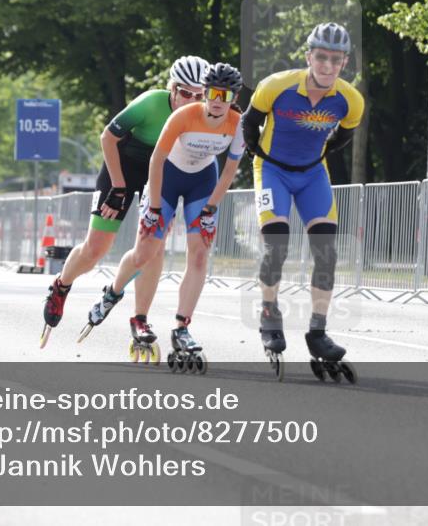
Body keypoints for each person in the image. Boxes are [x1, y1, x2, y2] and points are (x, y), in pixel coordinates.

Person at [80, 63, 246, 369]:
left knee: (199, 255)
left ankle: (182, 328)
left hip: (202, 182)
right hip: (166, 179)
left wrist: (211, 206)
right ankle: (113, 293)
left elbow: (230, 170)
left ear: (234, 96)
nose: (217, 100)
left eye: (225, 94)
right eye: (211, 92)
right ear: (204, 93)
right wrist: (154, 207)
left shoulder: (238, 124)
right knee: (145, 252)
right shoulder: (183, 115)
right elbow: (156, 161)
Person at [38, 56, 209, 347]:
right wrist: (118, 187)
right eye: (184, 93)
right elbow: (108, 137)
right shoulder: (150, 103)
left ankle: (139, 318)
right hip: (123, 166)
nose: (191, 100)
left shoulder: (203, 115)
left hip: (159, 173)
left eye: (198, 95)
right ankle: (61, 285)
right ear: (172, 89)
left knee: (154, 247)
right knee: (96, 249)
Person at [240, 22, 364, 378]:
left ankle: (318, 332)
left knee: (326, 251)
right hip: (273, 170)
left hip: (313, 173)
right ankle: (269, 312)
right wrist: (256, 155)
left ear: (344, 63)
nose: (327, 65)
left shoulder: (349, 99)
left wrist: (318, 153)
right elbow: (250, 125)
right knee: (276, 245)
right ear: (309, 56)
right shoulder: (276, 87)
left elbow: (343, 137)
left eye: (335, 60)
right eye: (321, 57)